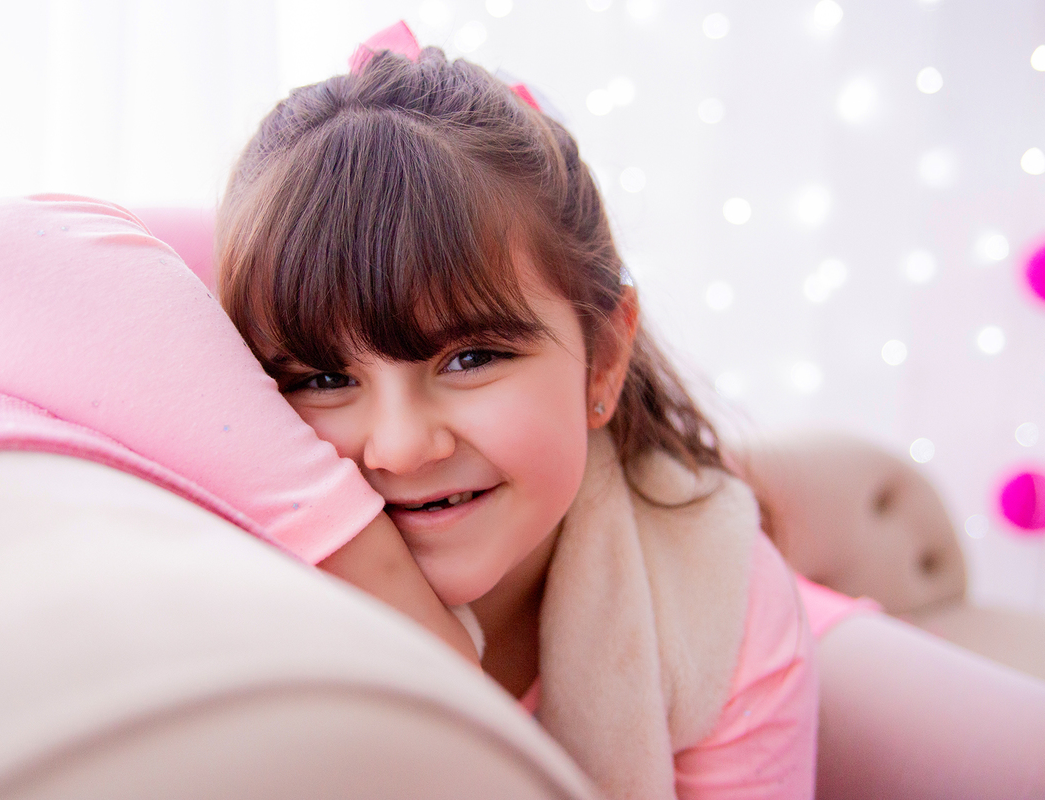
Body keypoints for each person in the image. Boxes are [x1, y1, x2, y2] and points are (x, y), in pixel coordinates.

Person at [213, 25, 817, 800]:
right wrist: (389, 590)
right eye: (323, 377)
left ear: (602, 359)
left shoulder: (721, 603)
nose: (400, 448)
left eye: (469, 359)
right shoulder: (229, 545)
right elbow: (18, 255)